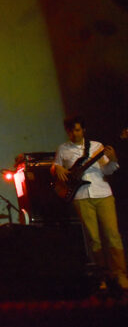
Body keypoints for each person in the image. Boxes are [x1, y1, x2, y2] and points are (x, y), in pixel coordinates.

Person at [51, 115, 128, 293]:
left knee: (112, 234)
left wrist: (113, 159)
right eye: (71, 131)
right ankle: (103, 276)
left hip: (102, 193)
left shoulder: (96, 146)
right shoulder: (63, 149)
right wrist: (57, 167)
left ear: (83, 130)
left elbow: (108, 170)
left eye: (77, 130)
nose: (75, 134)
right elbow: (55, 168)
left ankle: (120, 274)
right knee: (94, 238)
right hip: (81, 196)